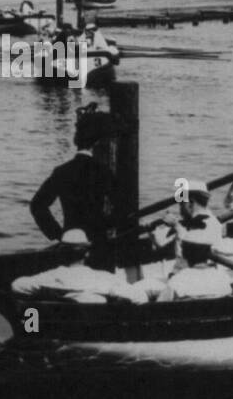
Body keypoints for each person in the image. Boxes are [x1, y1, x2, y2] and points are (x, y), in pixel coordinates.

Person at [29, 109, 115, 247]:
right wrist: (104, 226)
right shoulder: (103, 172)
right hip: (97, 243)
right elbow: (122, 208)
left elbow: (37, 205)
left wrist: (58, 234)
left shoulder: (62, 172)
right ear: (98, 143)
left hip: (68, 242)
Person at [11, 229, 150, 303]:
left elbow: (17, 285)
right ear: (87, 254)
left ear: (61, 253)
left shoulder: (50, 277)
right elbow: (139, 297)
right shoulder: (104, 278)